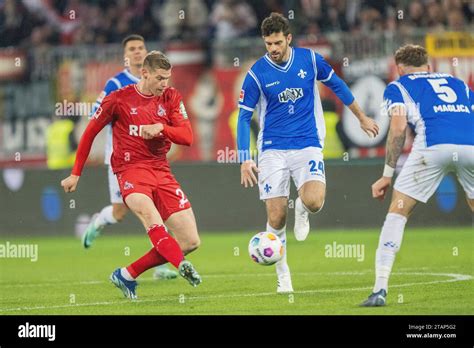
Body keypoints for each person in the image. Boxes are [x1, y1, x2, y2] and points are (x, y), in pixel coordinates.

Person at [237, 13, 379, 293]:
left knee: (314, 202)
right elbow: (243, 118)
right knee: (276, 218)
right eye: (268, 44)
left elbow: (336, 84)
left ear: (288, 38)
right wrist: (245, 159)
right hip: (272, 151)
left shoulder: (310, 60)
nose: (273, 49)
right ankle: (283, 278)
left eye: (277, 42)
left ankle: (301, 207)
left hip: (308, 144)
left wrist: (361, 116)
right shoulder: (256, 74)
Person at [61, 51, 201, 299]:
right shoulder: (118, 99)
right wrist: (75, 173)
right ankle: (181, 265)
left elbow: (187, 137)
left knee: (190, 241)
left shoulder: (171, 97)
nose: (164, 84)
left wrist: (162, 128)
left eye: (167, 78)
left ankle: (126, 274)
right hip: (130, 171)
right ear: (144, 73)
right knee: (151, 218)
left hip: (161, 170)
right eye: (159, 78)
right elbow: (90, 133)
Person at [361, 44, 474, 306]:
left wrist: (387, 175)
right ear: (428, 65)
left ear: (399, 69)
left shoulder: (398, 87)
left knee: (397, 212)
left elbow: (398, 129)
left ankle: (379, 290)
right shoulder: (457, 83)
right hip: (471, 146)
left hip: (431, 147)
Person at [81, 34, 177, 280]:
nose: (137, 52)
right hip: (122, 160)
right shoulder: (116, 83)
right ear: (125, 56)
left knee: (154, 211)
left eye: (140, 48)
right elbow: (96, 115)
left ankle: (160, 266)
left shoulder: (158, 82)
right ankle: (99, 221)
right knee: (120, 213)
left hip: (151, 161)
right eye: (132, 49)